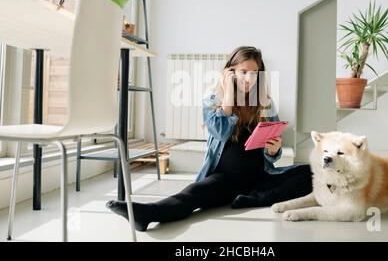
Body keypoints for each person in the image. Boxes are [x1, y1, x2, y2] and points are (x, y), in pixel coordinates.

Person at [107, 46, 312, 231]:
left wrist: (274, 150)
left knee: (312, 172)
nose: (249, 79)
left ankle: (255, 199)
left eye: (254, 73)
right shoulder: (212, 100)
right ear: (229, 72)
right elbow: (222, 132)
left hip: (260, 178)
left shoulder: (266, 103)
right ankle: (147, 214)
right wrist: (229, 98)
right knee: (192, 194)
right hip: (225, 177)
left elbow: (272, 156)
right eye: (243, 72)